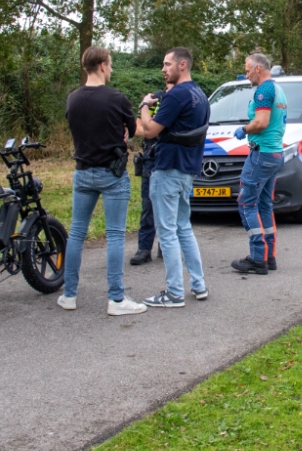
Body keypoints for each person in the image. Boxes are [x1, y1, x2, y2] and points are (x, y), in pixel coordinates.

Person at [59, 46, 146, 316]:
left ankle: (69, 294)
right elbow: (134, 131)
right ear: (102, 66)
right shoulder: (116, 98)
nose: (111, 68)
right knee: (116, 234)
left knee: (76, 233)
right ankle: (116, 299)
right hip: (112, 173)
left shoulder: (72, 99)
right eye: (110, 64)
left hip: (83, 171)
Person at [138, 47, 210, 307]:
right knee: (183, 228)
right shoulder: (200, 95)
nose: (163, 69)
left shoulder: (176, 95)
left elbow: (149, 131)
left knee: (167, 231)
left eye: (167, 64)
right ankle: (199, 284)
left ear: (182, 65)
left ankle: (174, 292)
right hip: (187, 170)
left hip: (167, 168)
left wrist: (145, 106)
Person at [230, 54, 287, 275]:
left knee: (246, 203)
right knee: (264, 205)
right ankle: (268, 255)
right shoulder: (278, 90)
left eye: (247, 70)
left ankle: (257, 258)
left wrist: (244, 129)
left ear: (258, 68)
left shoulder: (264, 90)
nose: (246, 75)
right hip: (274, 154)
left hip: (261, 154)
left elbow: (261, 122)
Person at [130, 81, 173, 266]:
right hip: (150, 157)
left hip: (170, 156)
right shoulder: (155, 98)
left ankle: (166, 246)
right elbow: (139, 127)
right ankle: (144, 248)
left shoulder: (179, 100)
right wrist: (152, 129)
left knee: (170, 205)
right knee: (148, 206)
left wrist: (153, 129)